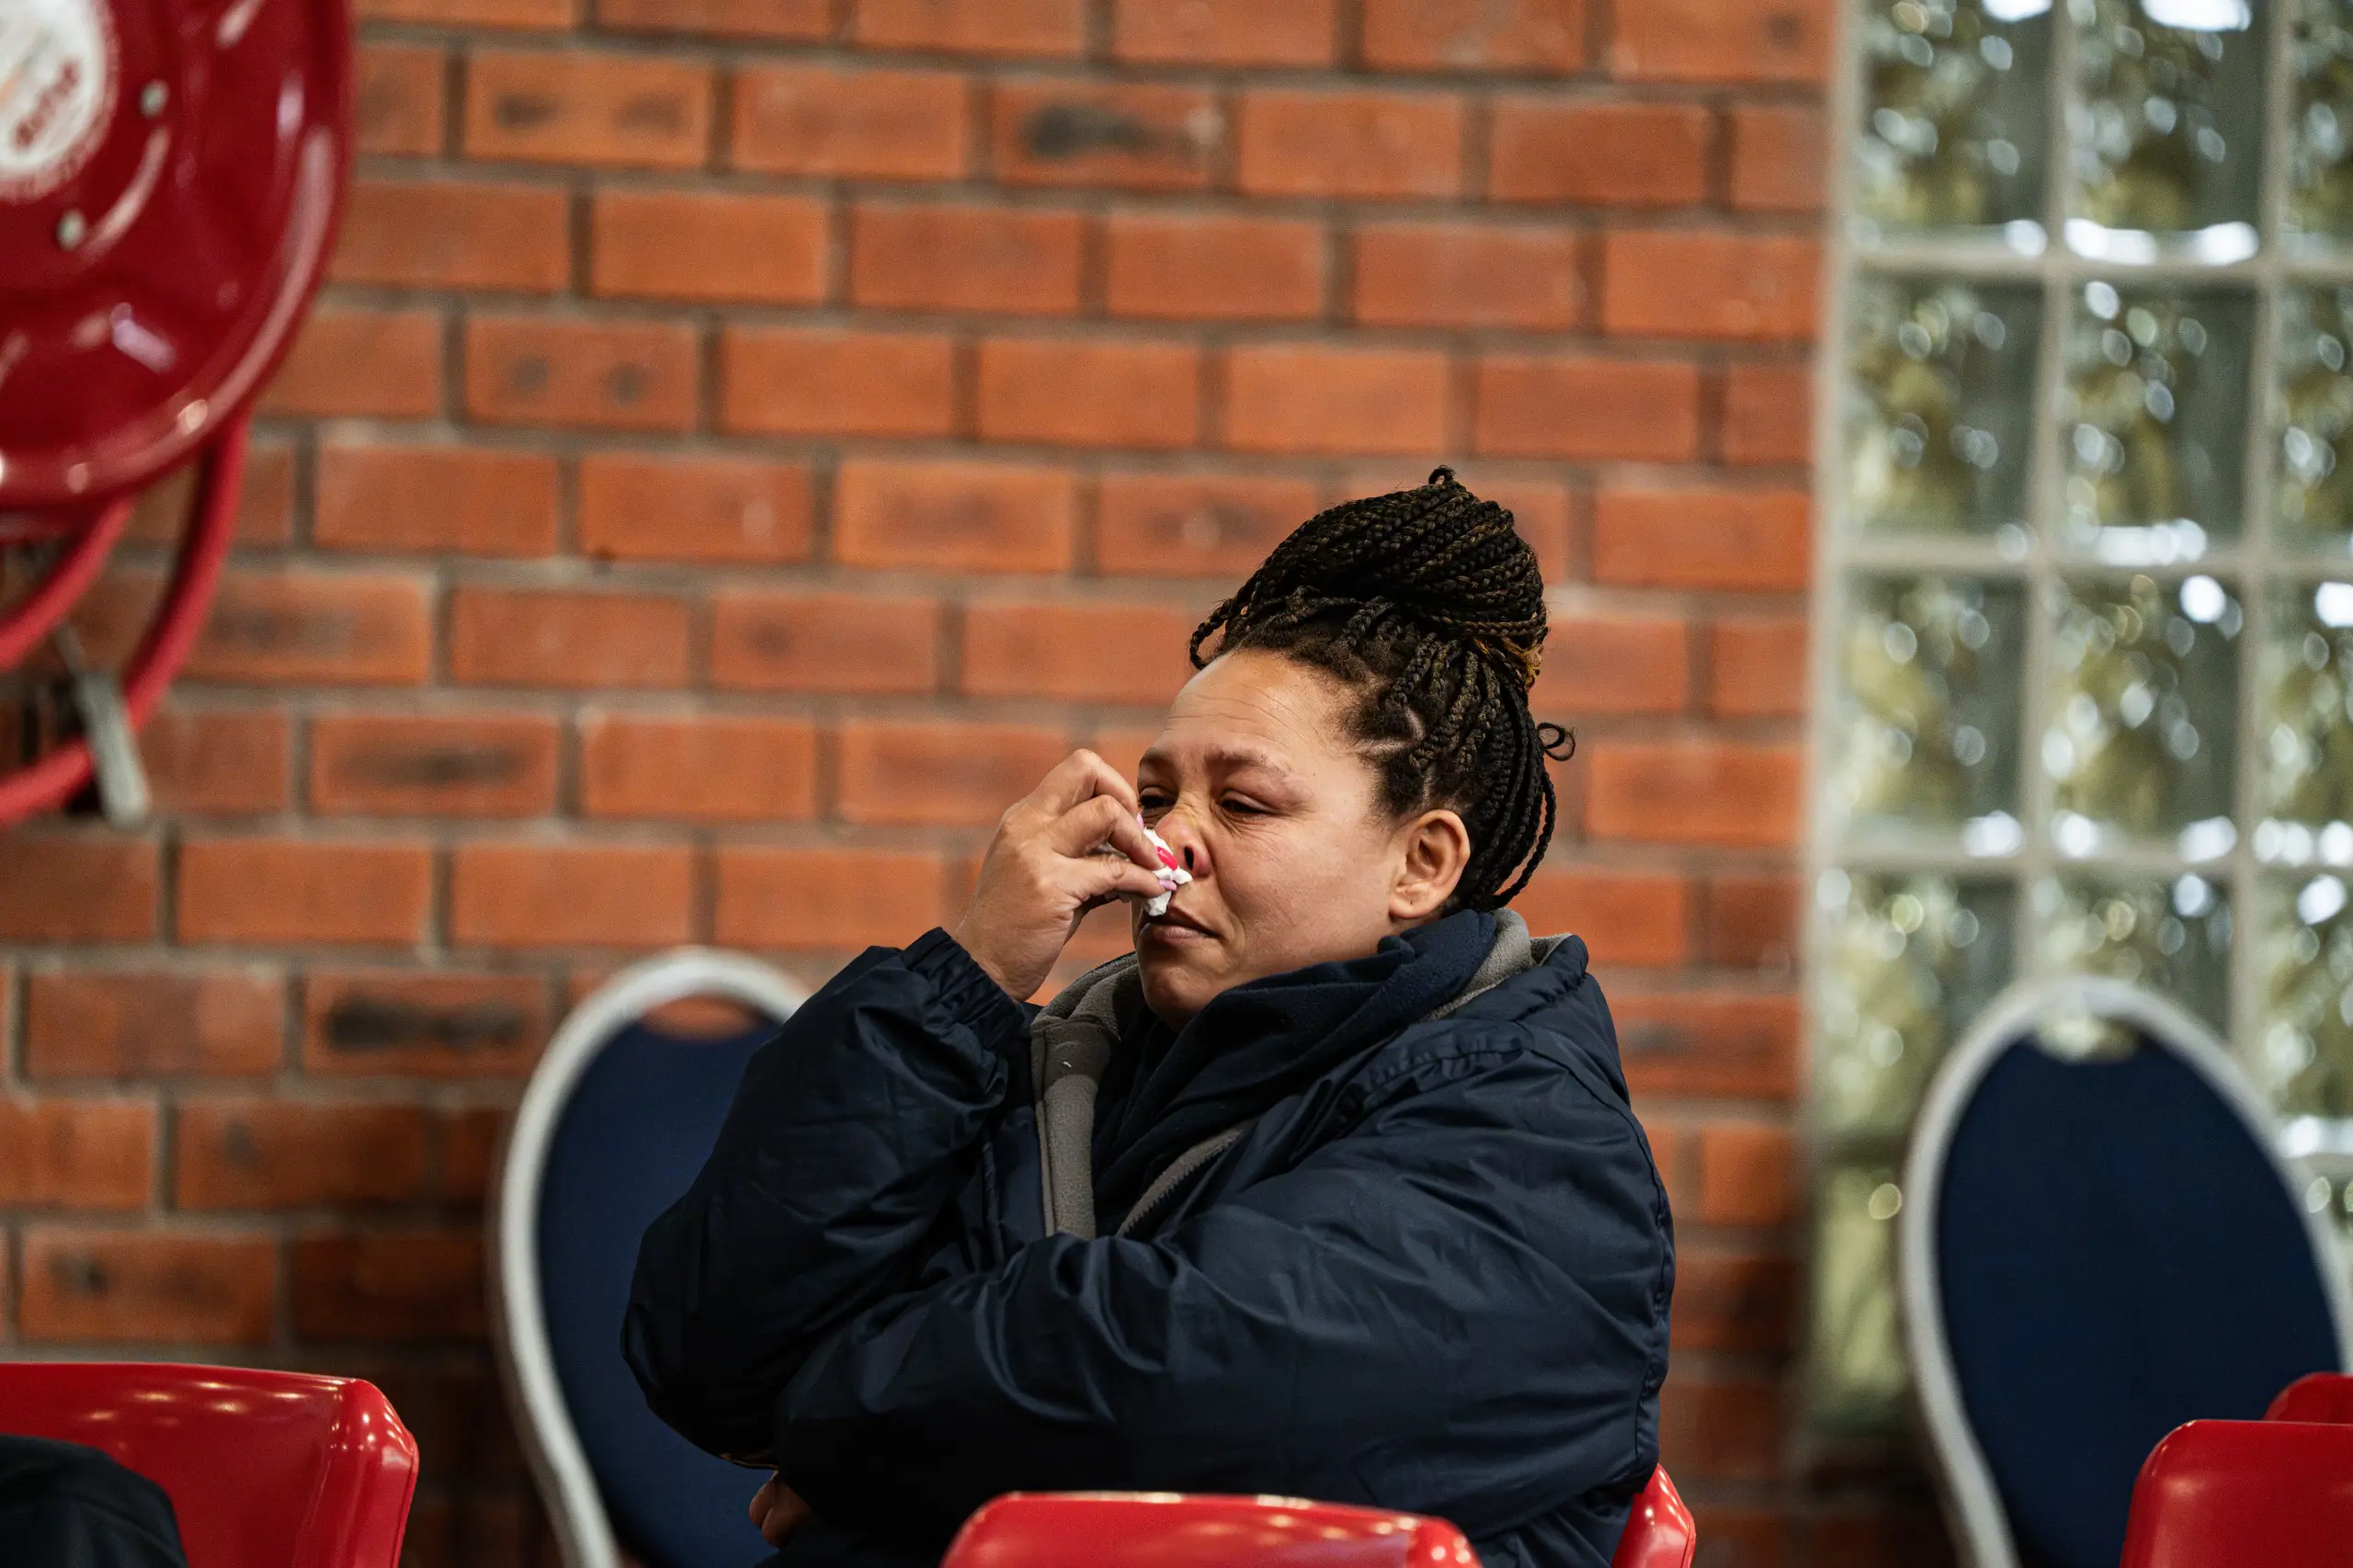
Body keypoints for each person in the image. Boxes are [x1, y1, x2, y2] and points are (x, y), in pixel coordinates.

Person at [624, 470, 1675, 1568]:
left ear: (1421, 863)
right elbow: (709, 1350)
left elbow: (1165, 1388)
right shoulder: (1062, 1063)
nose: (1164, 844)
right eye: (1157, 794)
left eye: (1244, 803)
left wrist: (831, 1432)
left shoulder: (1534, 1138)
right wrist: (966, 978)